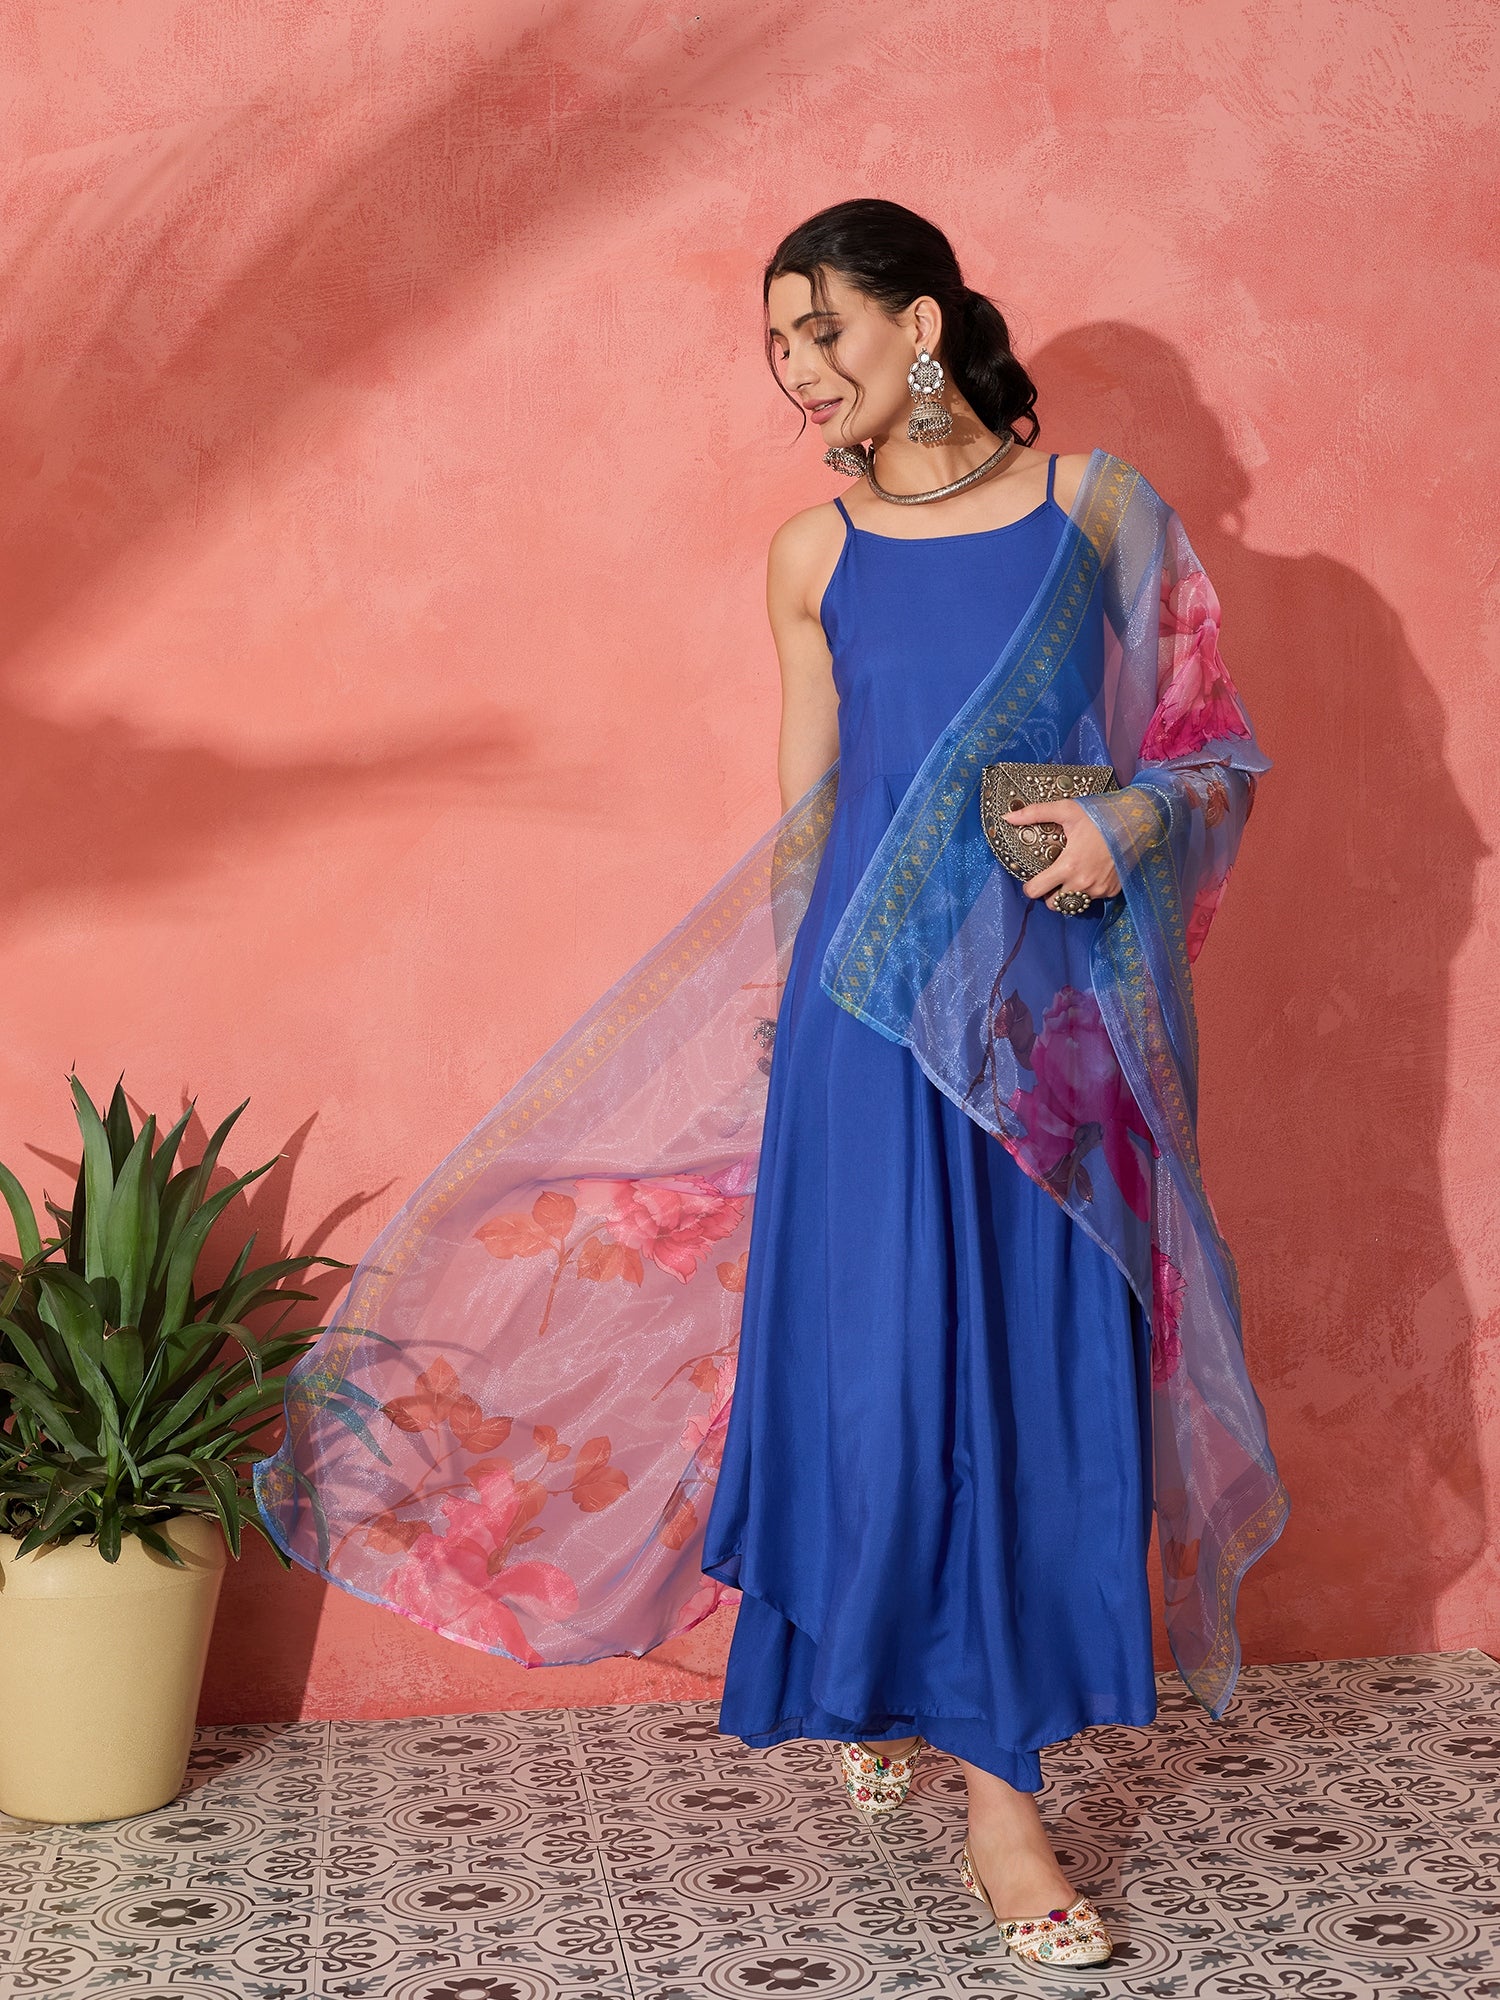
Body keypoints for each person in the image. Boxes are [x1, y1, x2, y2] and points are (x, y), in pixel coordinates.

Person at [256, 198, 1288, 1975]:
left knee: (1033, 1396)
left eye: (823, 332)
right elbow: (811, 829)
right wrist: (770, 1035)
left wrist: (1127, 820)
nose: (800, 374)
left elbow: (1212, 746)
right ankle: (969, 1774)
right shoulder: (812, 555)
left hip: (1048, 1041)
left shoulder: (1100, 511)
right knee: (883, 1388)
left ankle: (982, 1754)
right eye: (777, 349)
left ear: (922, 325)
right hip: (865, 1034)